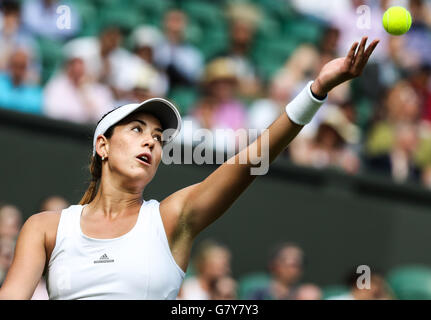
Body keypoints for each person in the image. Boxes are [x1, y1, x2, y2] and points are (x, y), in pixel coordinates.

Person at [0, 36, 379, 299]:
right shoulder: (45, 228)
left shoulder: (172, 218)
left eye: (158, 137)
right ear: (102, 145)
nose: (151, 140)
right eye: (137, 130)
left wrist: (315, 91)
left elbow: (250, 161)